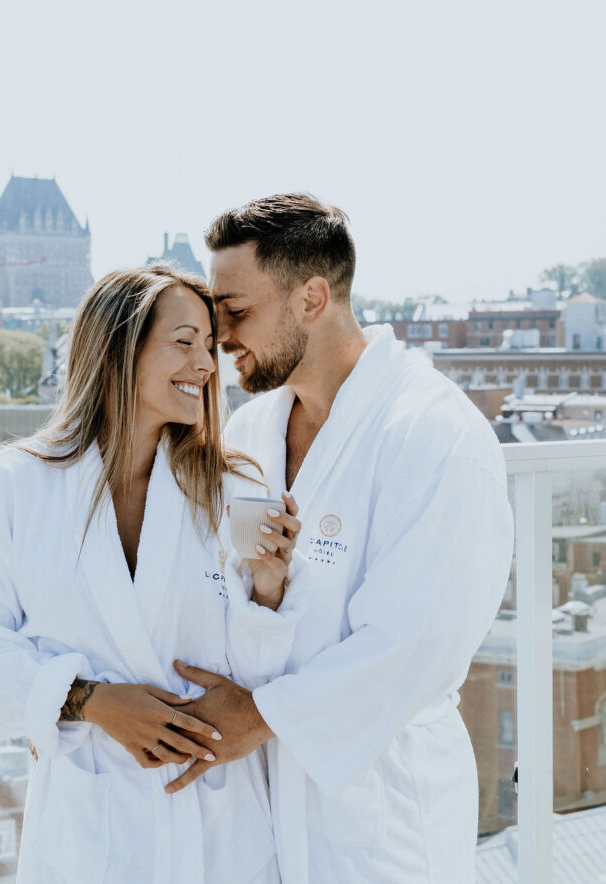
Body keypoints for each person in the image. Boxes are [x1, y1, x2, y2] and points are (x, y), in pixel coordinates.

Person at [166, 194, 514, 882]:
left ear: (312, 297)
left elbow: (411, 647)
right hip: (265, 804)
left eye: (236, 312)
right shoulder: (249, 436)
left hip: (382, 816)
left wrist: (259, 717)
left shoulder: (434, 436)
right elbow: (235, 595)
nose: (221, 336)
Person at [0, 264, 306, 883]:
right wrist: (91, 702)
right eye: (185, 342)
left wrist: (268, 589)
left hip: (218, 818)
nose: (207, 365)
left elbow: (258, 671)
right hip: (90, 825)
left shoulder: (238, 485)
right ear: (119, 349)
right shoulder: (16, 486)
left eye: (210, 347)